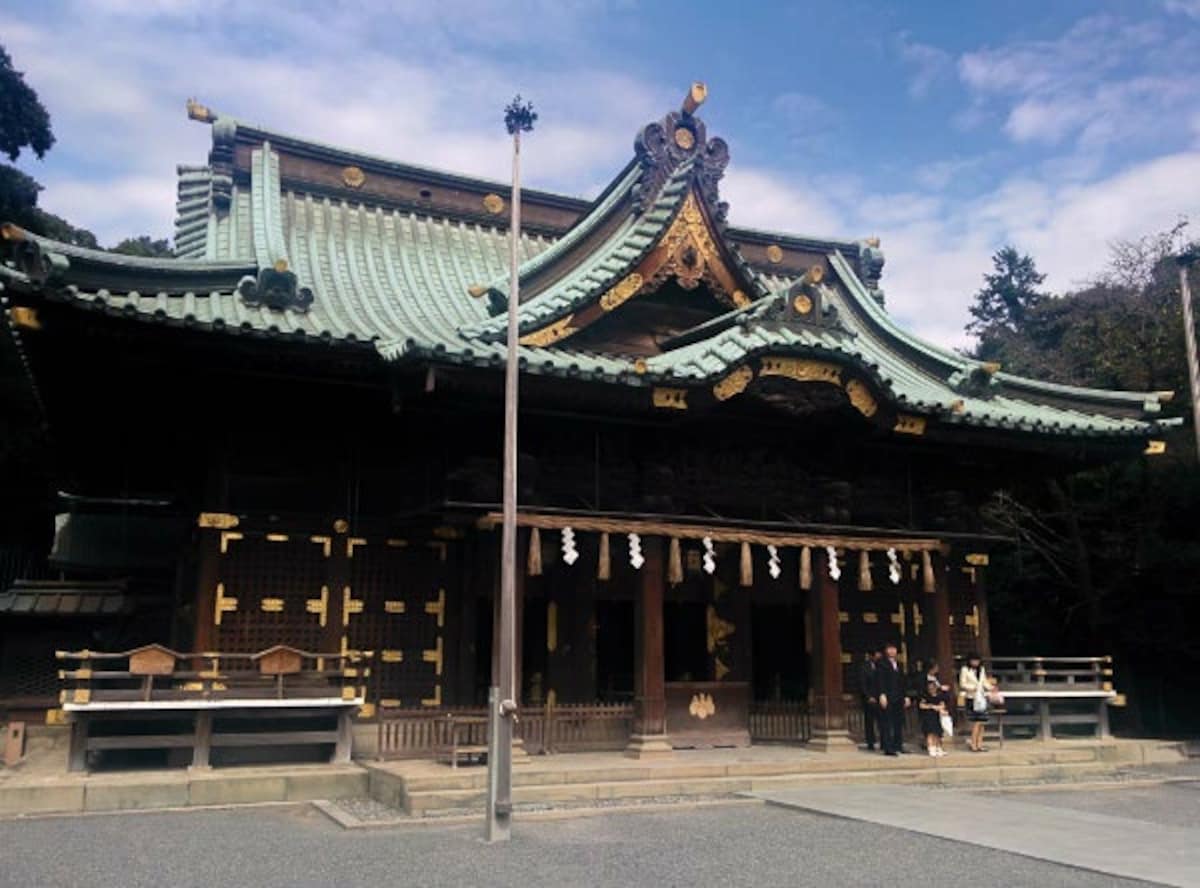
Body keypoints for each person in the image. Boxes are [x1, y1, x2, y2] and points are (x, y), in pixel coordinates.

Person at [873, 642, 910, 756]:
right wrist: (881, 694)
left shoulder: (899, 664)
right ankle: (888, 747)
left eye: (894, 648)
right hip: (887, 696)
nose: (892, 651)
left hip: (898, 696)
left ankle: (898, 745)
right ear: (886, 650)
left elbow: (903, 682)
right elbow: (879, 680)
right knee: (887, 722)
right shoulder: (881, 663)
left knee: (898, 722)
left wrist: (906, 696)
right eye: (889, 649)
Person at [958, 652, 994, 752]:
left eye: (977, 660)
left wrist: (991, 687)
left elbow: (984, 681)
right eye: (973, 660)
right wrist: (973, 688)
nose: (975, 662)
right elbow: (962, 684)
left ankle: (979, 744)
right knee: (976, 722)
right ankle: (973, 744)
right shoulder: (965, 670)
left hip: (981, 697)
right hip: (972, 697)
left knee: (982, 722)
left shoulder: (981, 669)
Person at [918, 679, 948, 757]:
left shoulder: (939, 696)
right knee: (930, 733)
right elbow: (921, 705)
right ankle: (931, 747)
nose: (932, 690)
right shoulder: (925, 696)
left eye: (933, 688)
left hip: (937, 716)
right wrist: (931, 706)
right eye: (930, 688)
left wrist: (940, 708)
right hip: (928, 716)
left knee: (937, 733)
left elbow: (943, 705)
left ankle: (938, 747)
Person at [858, 649, 881, 751]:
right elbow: (862, 684)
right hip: (869, 698)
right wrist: (868, 696)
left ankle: (884, 741)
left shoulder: (881, 666)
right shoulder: (864, 667)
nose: (878, 656)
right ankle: (870, 742)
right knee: (869, 722)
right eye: (876, 654)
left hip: (880, 697)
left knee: (882, 721)